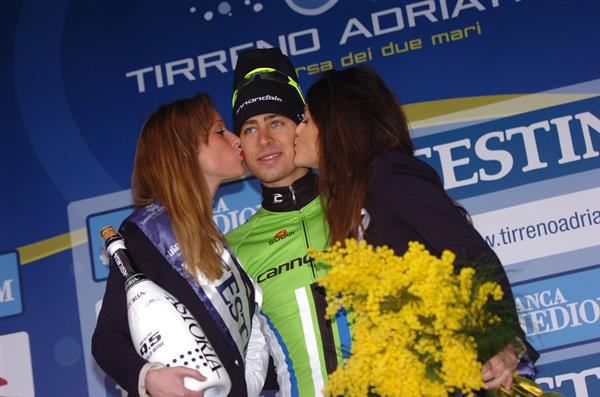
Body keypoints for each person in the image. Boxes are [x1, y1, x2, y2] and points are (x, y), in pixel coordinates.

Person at [294, 67, 539, 393]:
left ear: (336, 125)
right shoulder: (350, 200)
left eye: (307, 120)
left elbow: (471, 253)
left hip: (464, 373)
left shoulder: (389, 173)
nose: (297, 129)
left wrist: (504, 342)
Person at [92, 93, 268, 397]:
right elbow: (108, 337)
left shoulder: (209, 236)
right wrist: (149, 378)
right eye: (219, 131)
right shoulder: (147, 235)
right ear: (184, 151)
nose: (236, 139)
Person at [225, 48, 352, 397]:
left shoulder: (360, 203)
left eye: (276, 122)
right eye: (250, 128)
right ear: (240, 146)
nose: (264, 140)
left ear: (303, 127)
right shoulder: (231, 249)